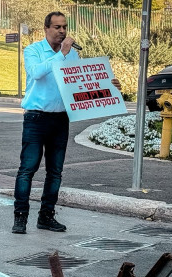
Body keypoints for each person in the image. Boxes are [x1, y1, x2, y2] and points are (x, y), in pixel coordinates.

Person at [11, 11, 119, 234]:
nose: (62, 31)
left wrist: (107, 85)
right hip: (36, 117)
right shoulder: (34, 50)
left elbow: (78, 84)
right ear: (46, 29)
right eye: (57, 27)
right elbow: (37, 73)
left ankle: (46, 216)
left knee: (55, 172)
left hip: (60, 119)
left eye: (65, 27)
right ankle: (20, 217)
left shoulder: (71, 55)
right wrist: (61, 54)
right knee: (27, 169)